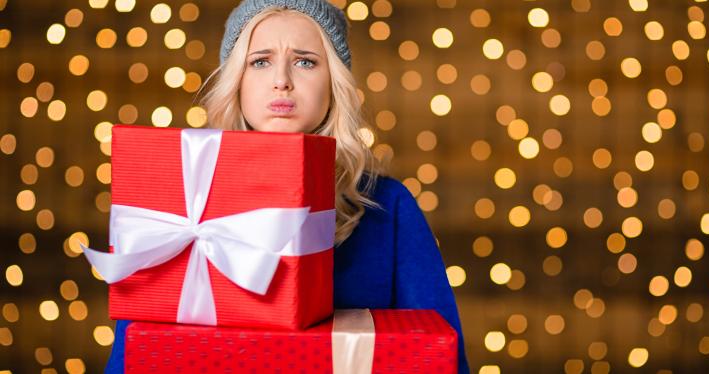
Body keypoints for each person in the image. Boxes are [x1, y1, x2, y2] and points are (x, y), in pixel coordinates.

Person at [105, 1, 469, 373]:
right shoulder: (183, 206)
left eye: (305, 61)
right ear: (238, 82)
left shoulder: (388, 207)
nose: (282, 80)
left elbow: (440, 353)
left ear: (334, 82)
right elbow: (135, 352)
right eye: (260, 61)